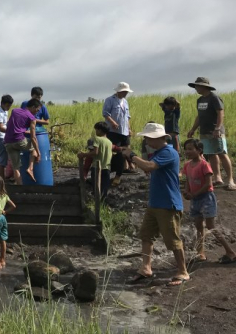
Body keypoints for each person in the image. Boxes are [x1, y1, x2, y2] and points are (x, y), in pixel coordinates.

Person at [123, 123, 189, 287]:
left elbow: (149, 166)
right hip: (155, 203)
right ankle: (146, 267)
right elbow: (150, 168)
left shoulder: (168, 152)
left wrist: (132, 156)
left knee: (172, 239)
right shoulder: (159, 153)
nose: (145, 140)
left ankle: (183, 271)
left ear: (157, 138)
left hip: (168, 203)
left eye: (147, 137)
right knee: (146, 235)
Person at [181, 138, 236, 264]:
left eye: (190, 149)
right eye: (186, 149)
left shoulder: (204, 165)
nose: (187, 151)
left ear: (199, 150)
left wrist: (193, 194)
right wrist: (186, 191)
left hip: (206, 198)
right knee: (198, 226)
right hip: (195, 200)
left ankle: (230, 251)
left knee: (211, 226)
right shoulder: (187, 165)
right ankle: (201, 253)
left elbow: (208, 185)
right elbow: (188, 181)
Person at [186, 77, 236, 190]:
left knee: (222, 153)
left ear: (204, 86)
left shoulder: (214, 98)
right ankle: (217, 177)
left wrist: (217, 128)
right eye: (195, 86)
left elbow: (220, 114)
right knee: (211, 154)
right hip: (204, 131)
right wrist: (193, 129)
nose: (196, 88)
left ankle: (230, 180)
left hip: (215, 131)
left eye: (198, 86)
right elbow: (199, 116)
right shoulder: (199, 100)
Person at [3, 99, 41, 185]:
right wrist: (38, 153)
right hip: (19, 140)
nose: (37, 112)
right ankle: (30, 168)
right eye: (37, 110)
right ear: (33, 107)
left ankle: (20, 188)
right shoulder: (32, 118)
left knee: (16, 168)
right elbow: (33, 137)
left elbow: (11, 125)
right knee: (34, 147)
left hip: (8, 142)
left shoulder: (14, 111)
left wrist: (22, 130)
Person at [103, 82, 134, 186]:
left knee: (126, 150)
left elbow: (127, 117)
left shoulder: (125, 102)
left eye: (126, 92)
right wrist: (113, 122)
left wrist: (129, 129)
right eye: (124, 91)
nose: (126, 93)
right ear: (119, 91)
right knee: (117, 152)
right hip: (113, 131)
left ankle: (123, 170)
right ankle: (115, 174)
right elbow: (106, 114)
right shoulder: (110, 100)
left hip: (124, 131)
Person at [77, 122, 113, 201]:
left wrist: (84, 155)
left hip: (97, 167)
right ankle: (103, 204)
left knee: (96, 187)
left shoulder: (97, 139)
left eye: (96, 130)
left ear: (100, 130)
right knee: (104, 188)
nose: (96, 132)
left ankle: (96, 203)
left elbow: (95, 152)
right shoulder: (109, 142)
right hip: (107, 167)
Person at [0, 95, 13, 179]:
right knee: (2, 162)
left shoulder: (5, 111)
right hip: (0, 139)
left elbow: (7, 123)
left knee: (2, 160)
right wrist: (12, 131)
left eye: (10, 106)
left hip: (5, 138)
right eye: (7, 105)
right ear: (2, 103)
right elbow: (1, 127)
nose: (9, 107)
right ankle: (1, 181)